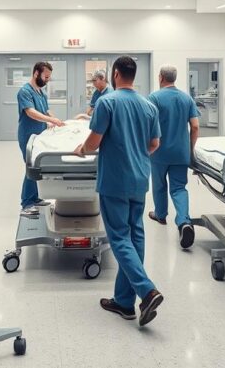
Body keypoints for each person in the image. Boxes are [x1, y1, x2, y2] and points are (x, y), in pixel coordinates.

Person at [74, 55, 164, 327]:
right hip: (139, 179)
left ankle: (147, 291)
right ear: (133, 75)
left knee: (120, 237)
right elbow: (154, 144)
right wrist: (136, 155)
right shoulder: (149, 106)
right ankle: (124, 302)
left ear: (115, 75)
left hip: (115, 180)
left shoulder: (108, 103)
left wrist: (82, 149)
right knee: (136, 235)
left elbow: (93, 142)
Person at [147, 65, 201, 250]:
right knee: (179, 188)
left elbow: (148, 125)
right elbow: (195, 126)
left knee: (159, 185)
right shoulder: (187, 98)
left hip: (159, 151)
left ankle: (160, 215)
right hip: (180, 152)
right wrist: (190, 149)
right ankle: (184, 221)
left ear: (161, 77)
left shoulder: (154, 98)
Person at [17, 61, 65, 214]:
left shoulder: (41, 93)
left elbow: (46, 111)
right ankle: (26, 203)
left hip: (40, 135)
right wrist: (51, 120)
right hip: (28, 135)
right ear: (36, 73)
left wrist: (56, 121)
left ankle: (35, 198)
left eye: (49, 77)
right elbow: (31, 112)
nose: (47, 80)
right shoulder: (25, 91)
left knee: (38, 167)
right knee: (31, 167)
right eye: (46, 77)